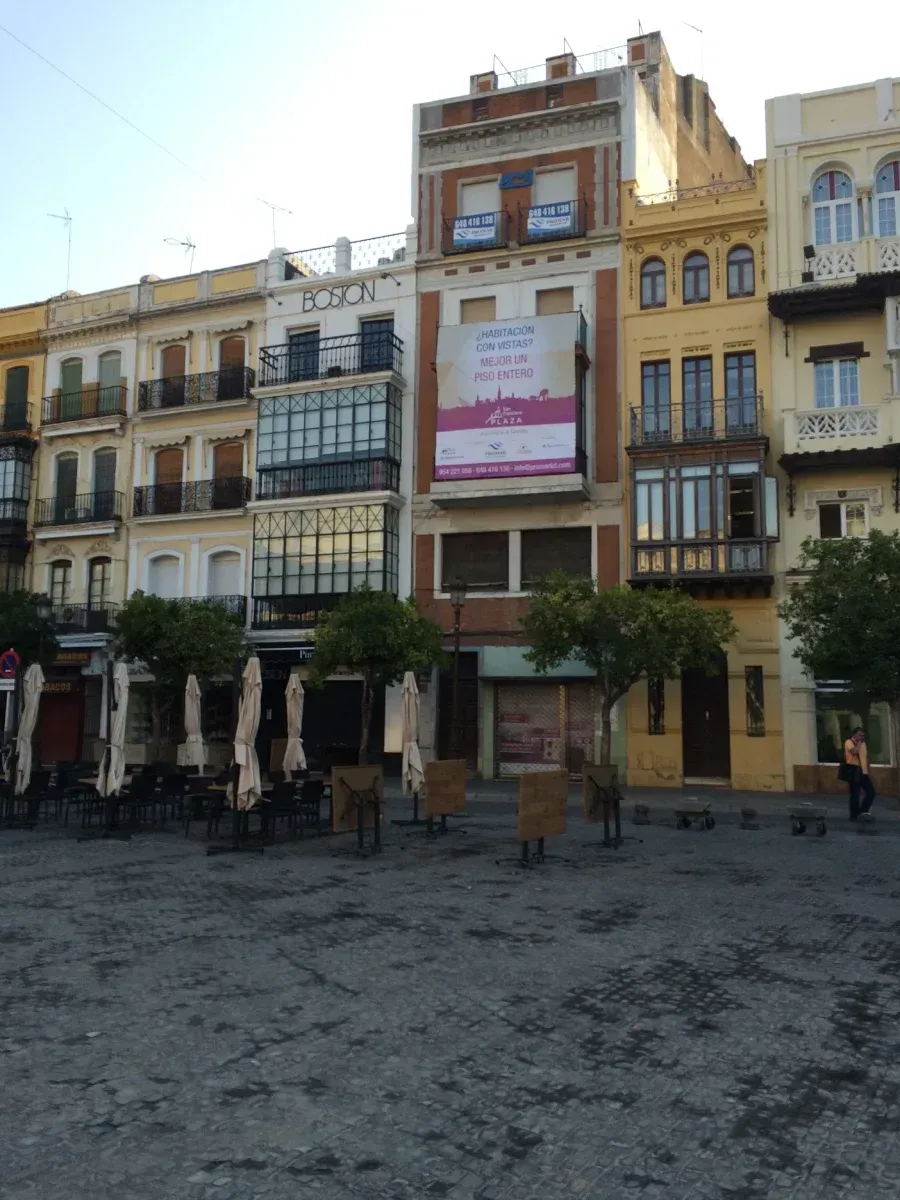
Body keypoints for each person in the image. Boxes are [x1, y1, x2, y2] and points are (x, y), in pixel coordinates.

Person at [843, 726, 876, 819]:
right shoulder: (849, 742)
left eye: (863, 736)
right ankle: (854, 815)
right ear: (854, 735)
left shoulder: (863, 744)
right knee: (855, 794)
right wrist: (859, 743)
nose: (861, 737)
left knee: (871, 793)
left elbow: (865, 758)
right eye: (860, 735)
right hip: (854, 771)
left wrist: (869, 770)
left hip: (863, 772)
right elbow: (854, 751)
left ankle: (863, 811)